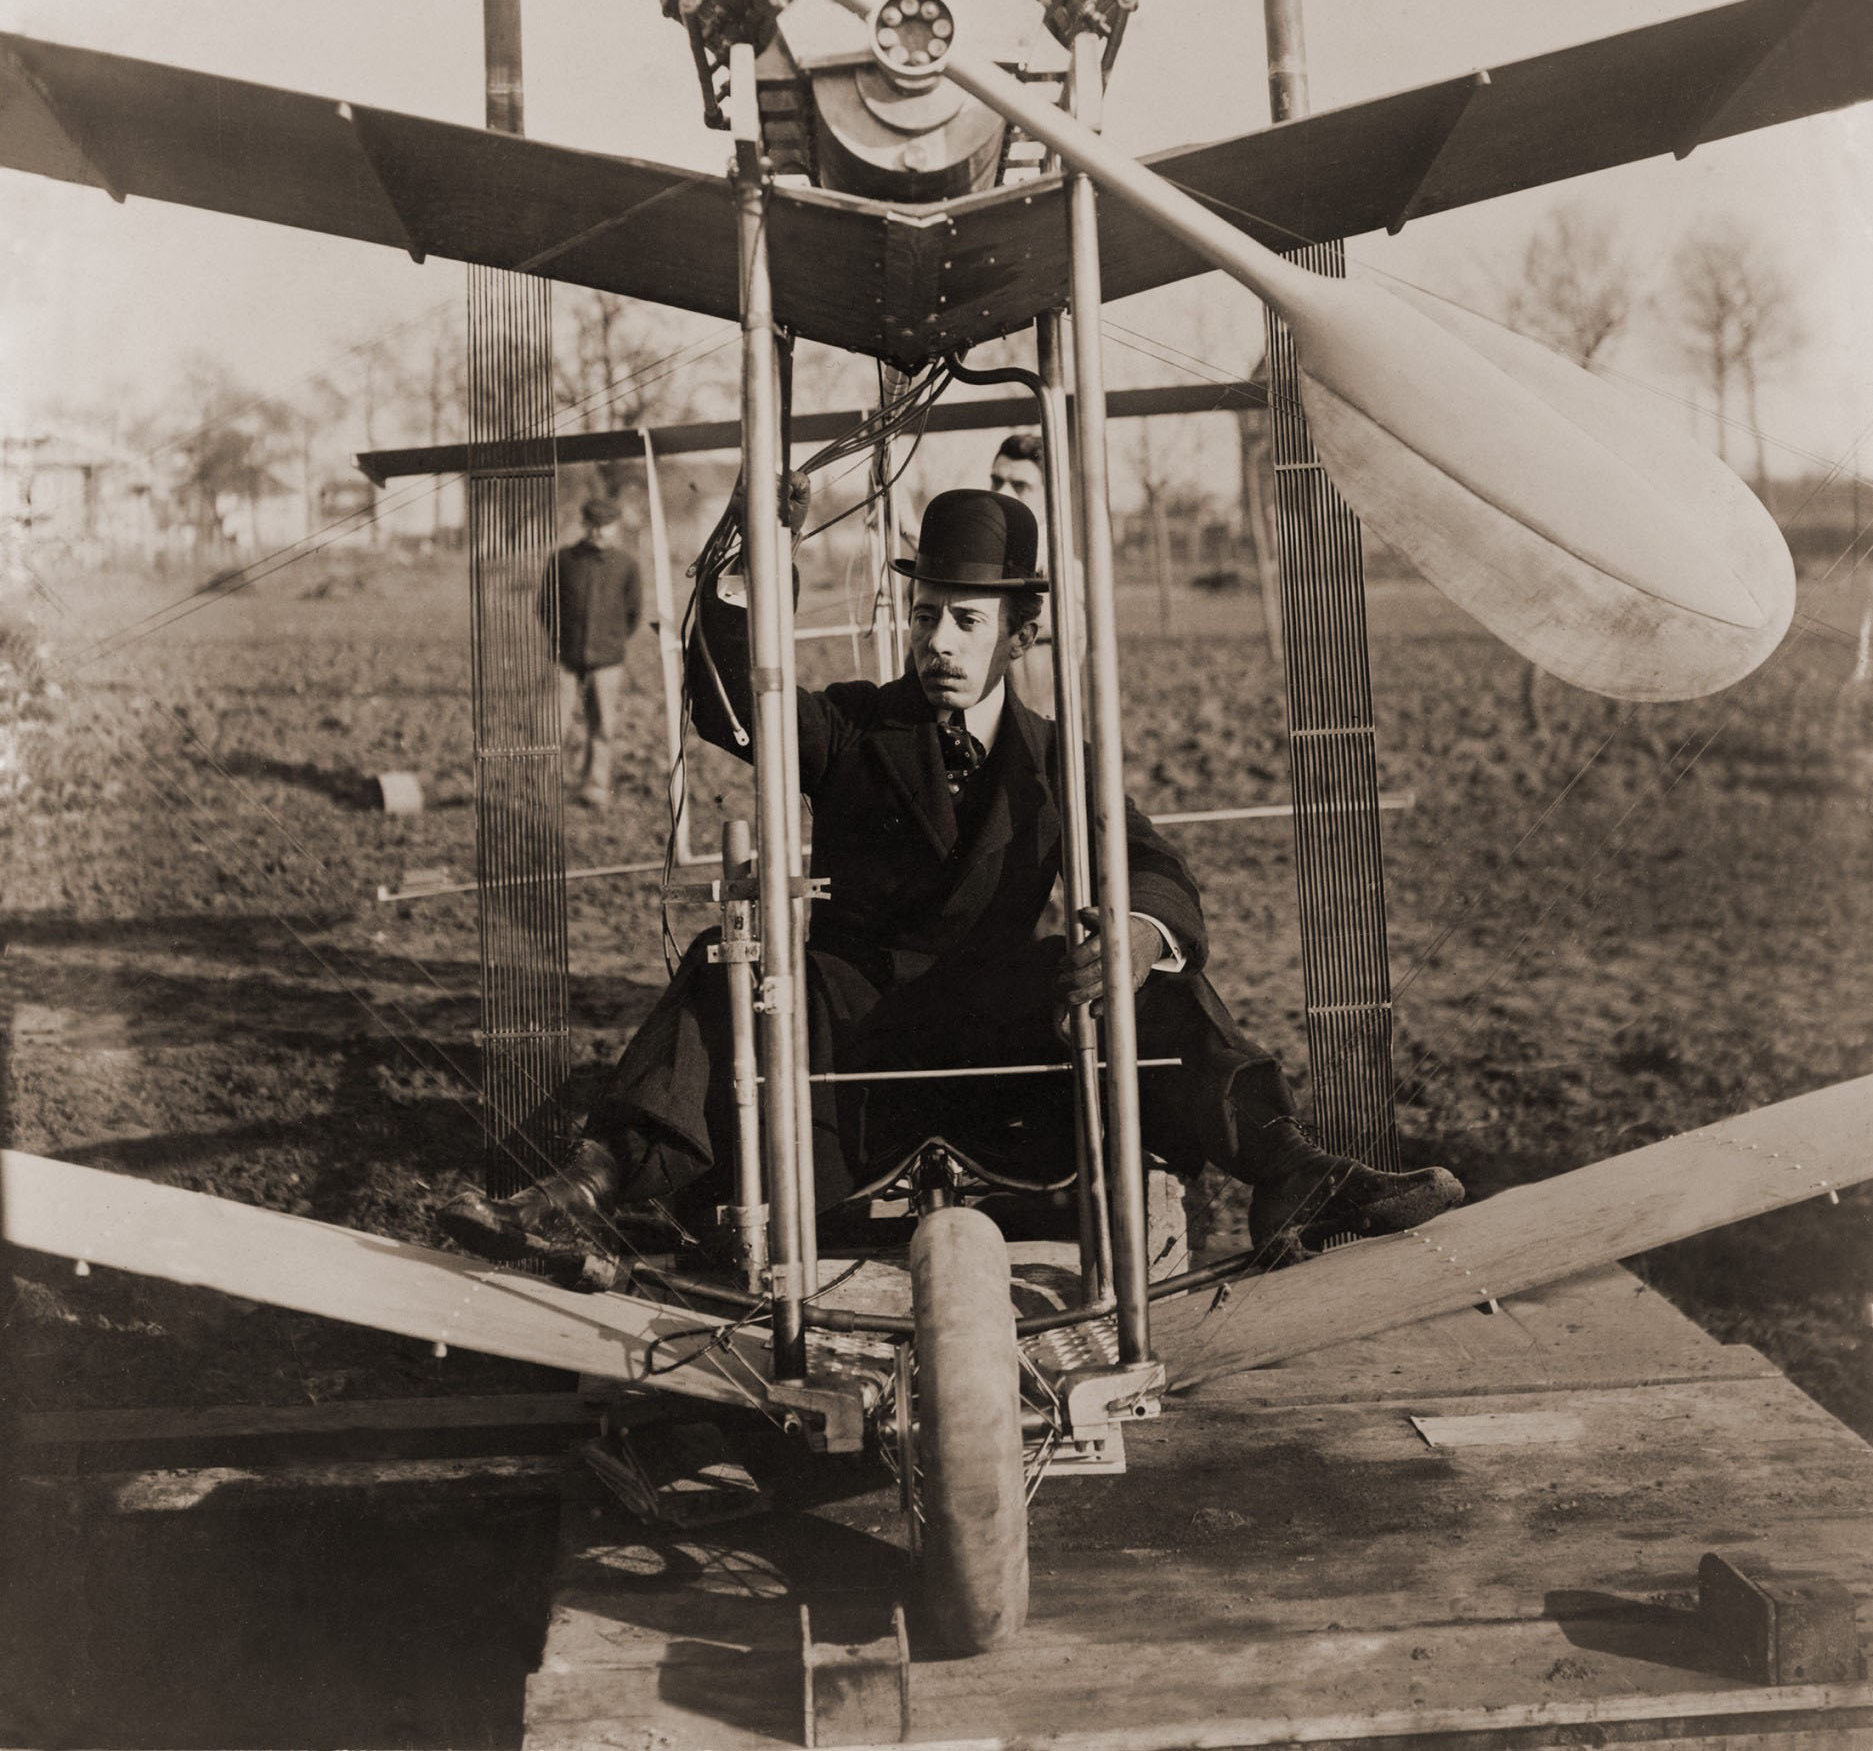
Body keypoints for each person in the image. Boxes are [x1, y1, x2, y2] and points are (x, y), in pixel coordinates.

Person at [441, 487, 1460, 1266]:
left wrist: (1138, 938)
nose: (936, 642)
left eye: (965, 621)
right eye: (926, 614)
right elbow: (725, 704)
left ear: (1020, 633)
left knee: (1145, 981)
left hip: (1005, 1045)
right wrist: (746, 557)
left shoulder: (1060, 756)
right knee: (724, 966)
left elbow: (1150, 861)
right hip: (849, 1038)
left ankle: (1290, 1169)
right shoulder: (845, 727)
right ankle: (587, 1188)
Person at [540, 496, 642, 809]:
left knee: (603, 726)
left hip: (607, 661)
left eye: (605, 526)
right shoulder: (562, 560)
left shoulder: (626, 564)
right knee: (552, 725)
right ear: (583, 525)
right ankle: (545, 790)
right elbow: (546, 605)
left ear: (615, 527)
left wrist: (612, 642)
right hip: (566, 659)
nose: (598, 532)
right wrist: (560, 641)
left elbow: (633, 613)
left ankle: (595, 788)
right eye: (592, 525)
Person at [988, 432, 1056, 715]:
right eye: (997, 481)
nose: (1003, 494)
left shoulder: (1062, 564)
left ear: (1049, 494)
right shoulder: (993, 550)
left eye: (1020, 485)